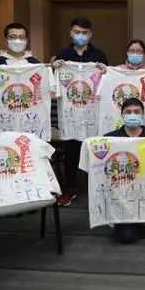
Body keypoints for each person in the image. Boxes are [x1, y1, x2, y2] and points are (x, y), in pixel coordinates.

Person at [51, 17, 109, 207]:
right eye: (77, 32)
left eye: (84, 33)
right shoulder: (63, 55)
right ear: (71, 33)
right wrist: (53, 68)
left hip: (93, 113)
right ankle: (70, 188)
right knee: (71, 151)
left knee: (96, 151)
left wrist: (105, 71)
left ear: (90, 34)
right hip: (71, 114)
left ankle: (99, 188)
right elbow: (51, 86)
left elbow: (106, 84)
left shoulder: (99, 56)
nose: (81, 36)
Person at [103, 98, 145, 244]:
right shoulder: (109, 139)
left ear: (142, 114)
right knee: (126, 237)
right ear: (122, 114)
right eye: (128, 112)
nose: (132, 115)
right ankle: (120, 218)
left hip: (144, 193)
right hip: (120, 194)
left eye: (136, 112)